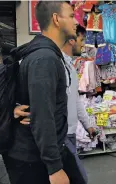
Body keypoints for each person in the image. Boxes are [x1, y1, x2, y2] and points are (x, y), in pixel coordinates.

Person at [3, 1, 78, 184]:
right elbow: (43, 116)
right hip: (32, 161)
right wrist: (54, 168)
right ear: (56, 19)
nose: (76, 21)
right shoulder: (45, 59)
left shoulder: (41, 53)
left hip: (33, 155)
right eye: (70, 16)